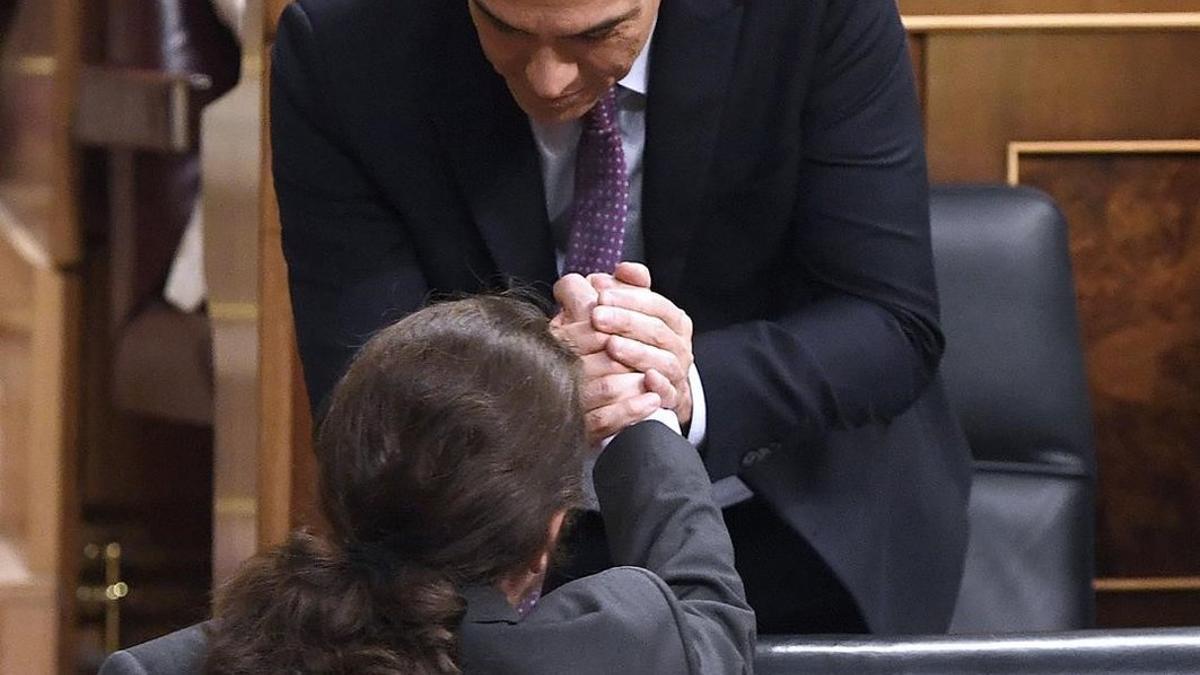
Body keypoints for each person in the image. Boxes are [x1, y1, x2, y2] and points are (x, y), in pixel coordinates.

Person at [272, 0, 971, 633]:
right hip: (478, 541)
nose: (546, 80)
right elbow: (359, 383)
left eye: (599, 35)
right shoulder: (344, 42)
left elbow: (887, 323)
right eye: (506, 29)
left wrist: (675, 383)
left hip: (795, 514)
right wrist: (531, 384)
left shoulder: (812, 14)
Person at [98, 296, 755, 674]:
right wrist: (642, 418)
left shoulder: (160, 671)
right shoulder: (612, 648)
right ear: (547, 534)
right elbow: (710, 615)